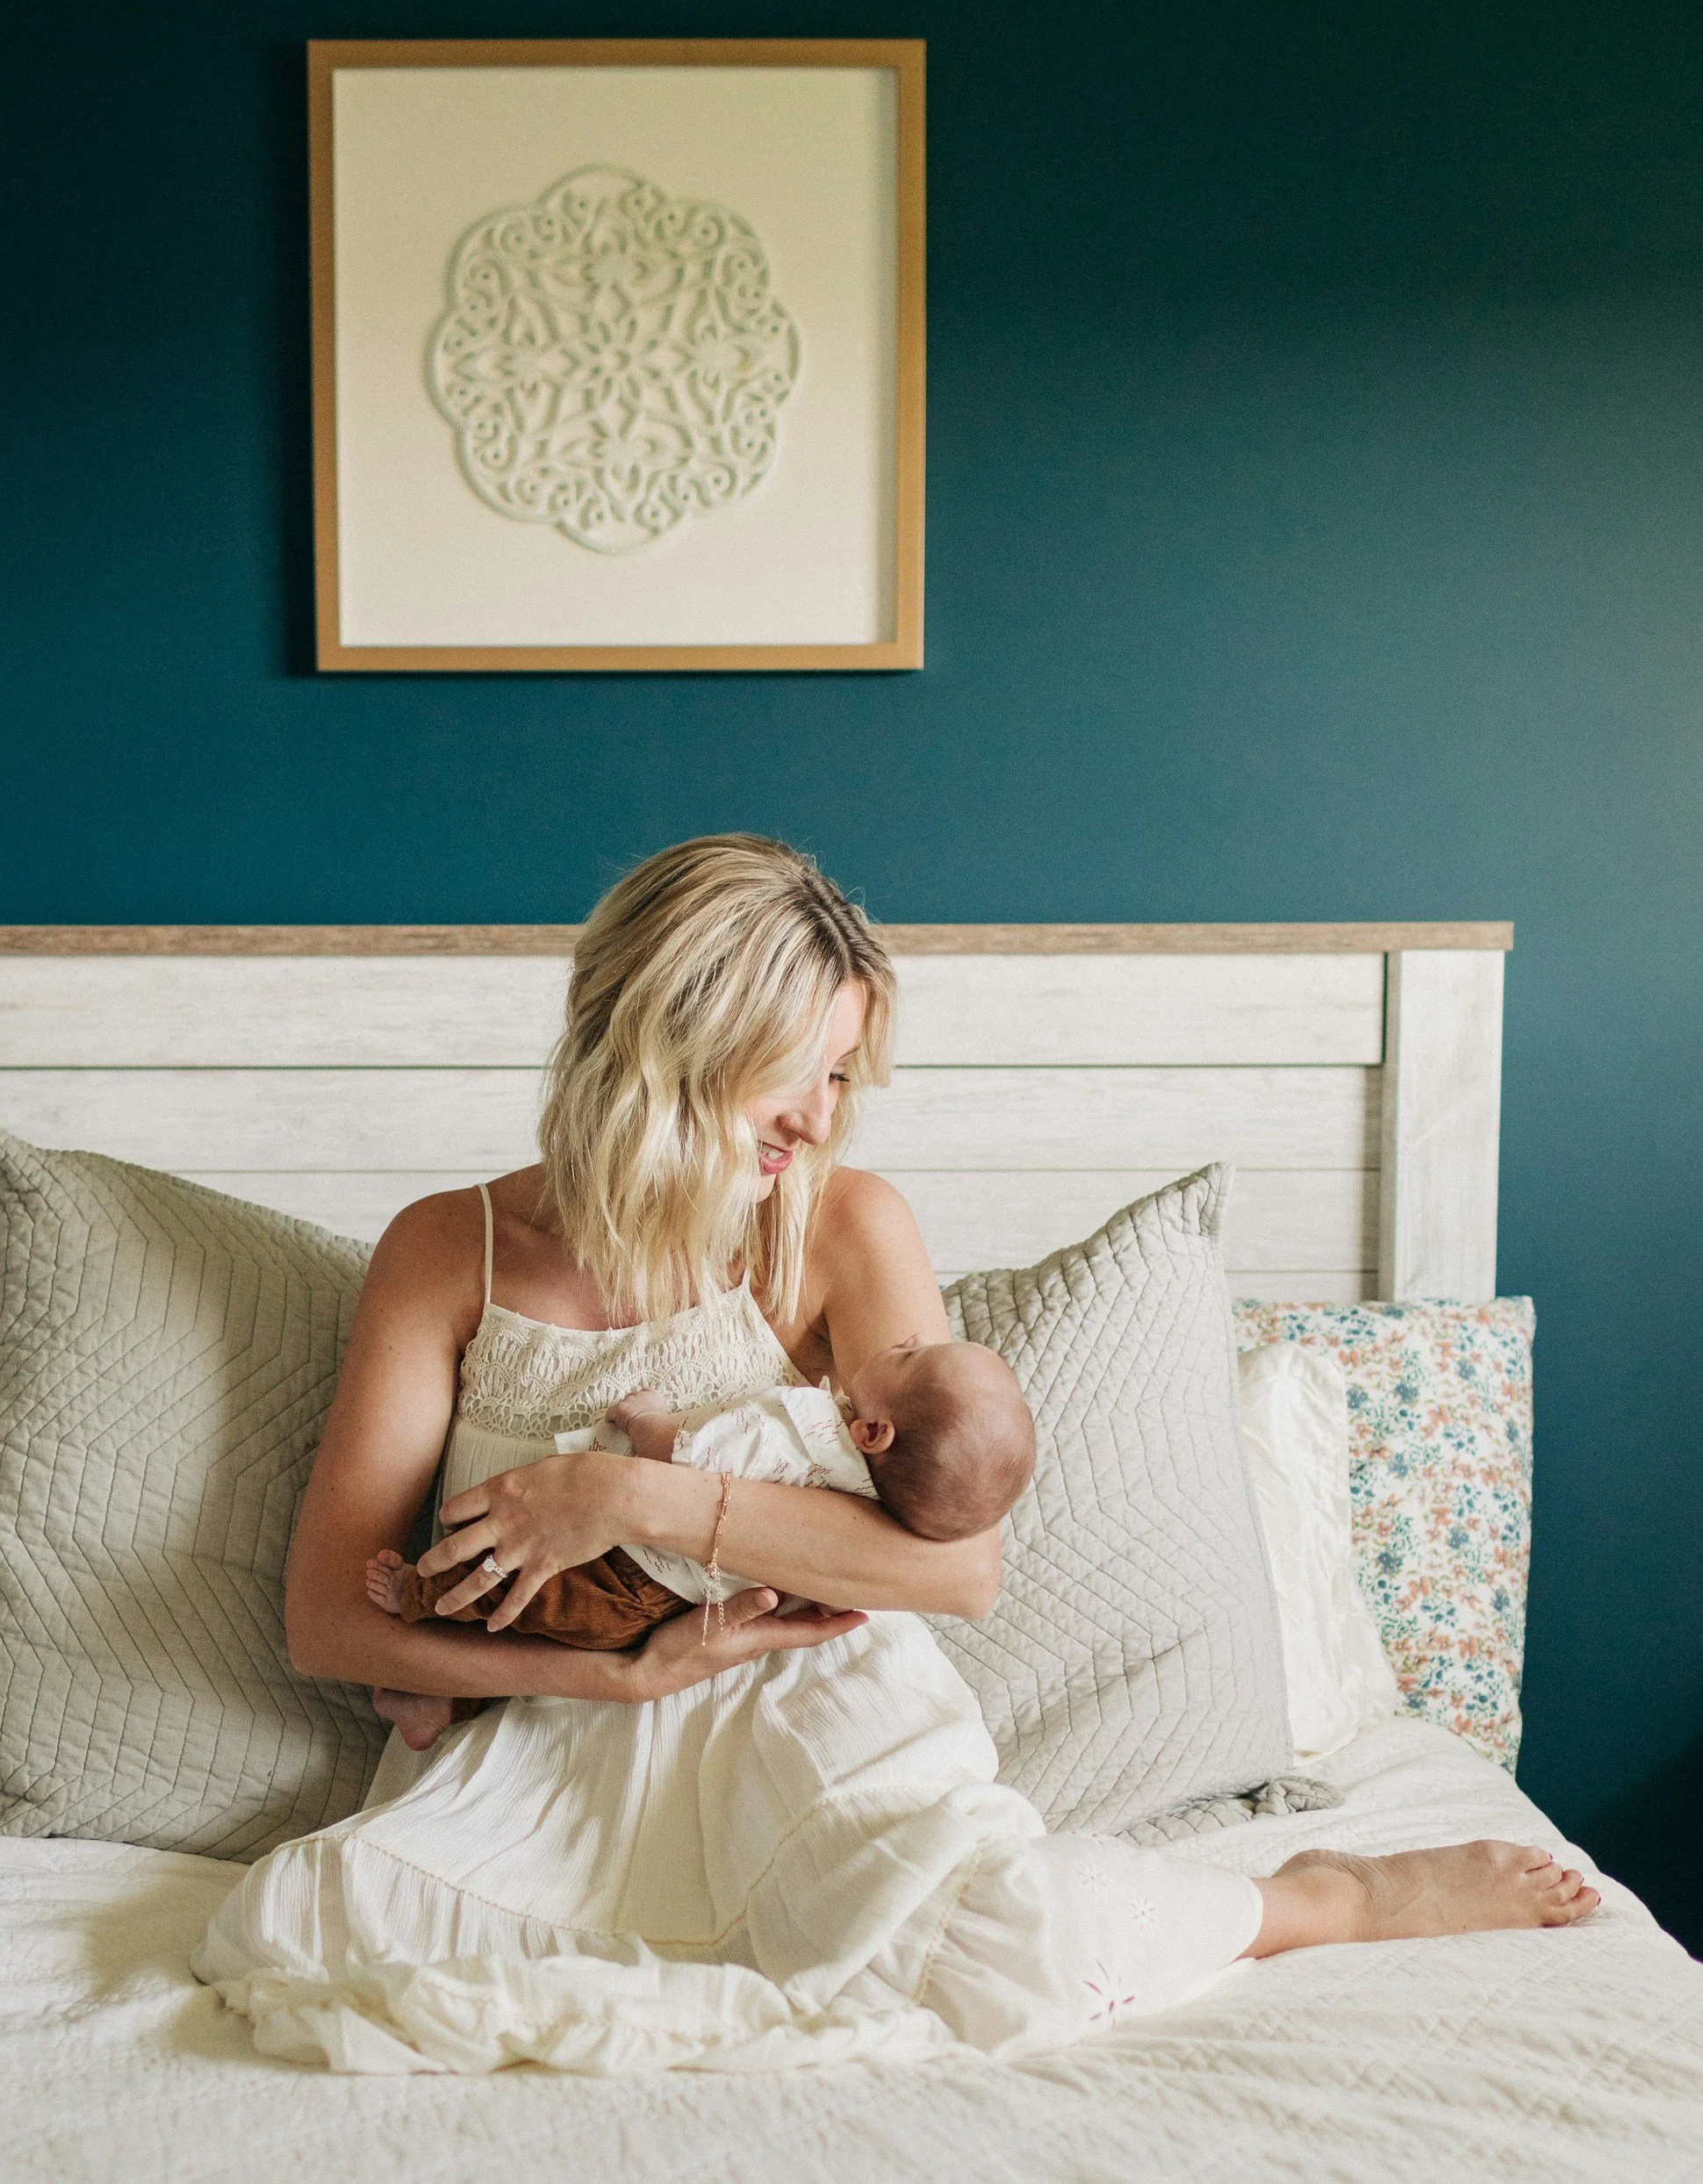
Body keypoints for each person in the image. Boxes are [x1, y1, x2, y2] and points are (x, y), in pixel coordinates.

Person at [194, 835, 1597, 2075]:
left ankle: (1318, 1898)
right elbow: (327, 1620)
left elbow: (958, 1568)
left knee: (1010, 1957)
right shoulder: (450, 1251)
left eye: (842, 1074)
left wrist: (628, 1493)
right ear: (674, 1037)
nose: (822, 1116)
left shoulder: (841, 1226)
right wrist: (617, 1673)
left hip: (799, 1729)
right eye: (796, 1072)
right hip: (542, 1753)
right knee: (300, 1927)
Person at [363, 1339, 1035, 1751]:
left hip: (624, 1575)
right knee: (538, 1632)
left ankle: (416, 1595)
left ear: (874, 1433)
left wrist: (643, 1424)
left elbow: (687, 1457)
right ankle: (441, 1700)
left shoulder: (805, 1424)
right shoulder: (873, 1504)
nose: (908, 1338)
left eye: (911, 1355)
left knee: (513, 1590)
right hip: (685, 1614)